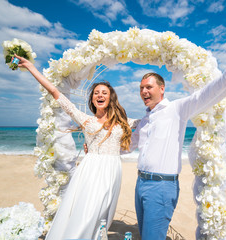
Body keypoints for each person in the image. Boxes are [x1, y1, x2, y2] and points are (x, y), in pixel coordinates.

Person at [130, 24, 226, 239]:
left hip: (161, 187)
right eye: (141, 88)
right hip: (140, 184)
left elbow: (208, 94)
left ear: (162, 88)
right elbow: (127, 145)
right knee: (143, 234)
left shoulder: (177, 109)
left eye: (149, 87)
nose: (144, 91)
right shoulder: (145, 120)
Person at [16, 54, 139, 239]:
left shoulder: (123, 123)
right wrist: (31, 67)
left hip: (113, 170)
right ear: (92, 99)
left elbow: (150, 119)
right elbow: (56, 94)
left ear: (110, 98)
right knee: (86, 213)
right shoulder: (86, 120)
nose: (100, 95)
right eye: (96, 93)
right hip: (90, 171)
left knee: (102, 216)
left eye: (104, 93)